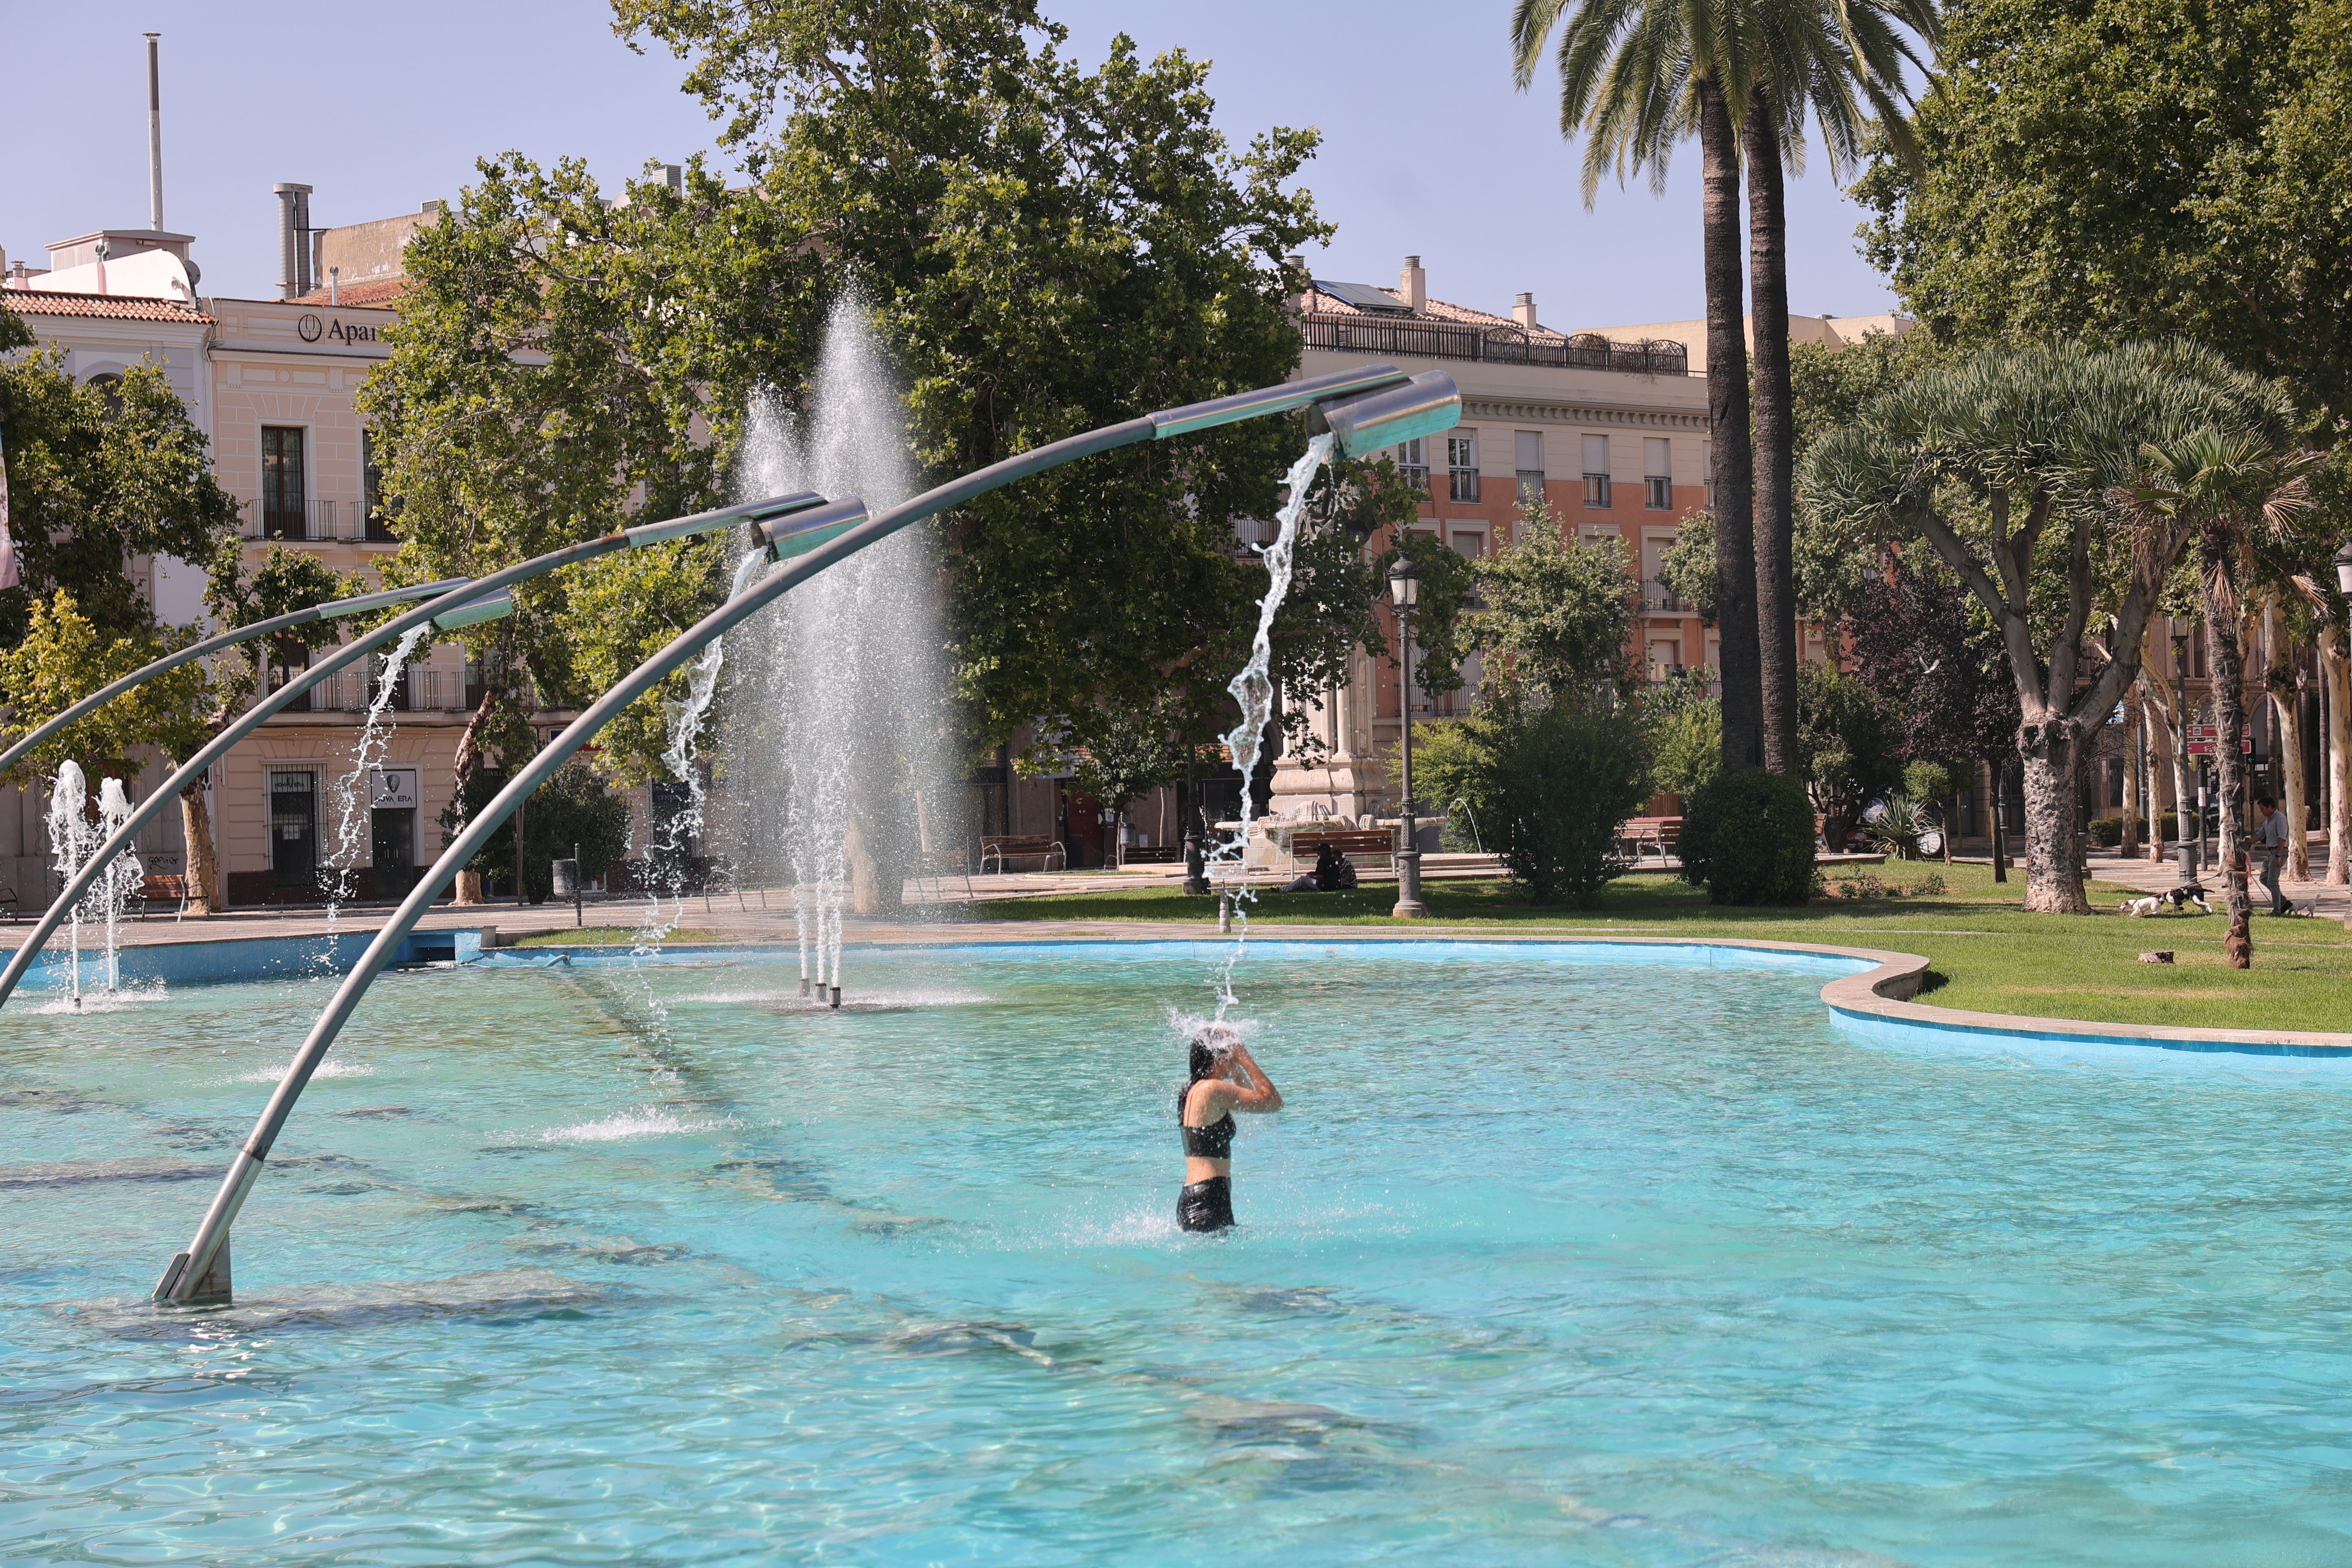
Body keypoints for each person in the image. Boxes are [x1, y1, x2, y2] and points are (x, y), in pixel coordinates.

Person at [1177, 1026, 1283, 1233]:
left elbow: (1247, 1096)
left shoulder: (1193, 1090)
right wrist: (1244, 1057)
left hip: (1198, 1195)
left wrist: (1234, 1067)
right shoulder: (1212, 1089)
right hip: (1209, 1198)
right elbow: (1272, 1102)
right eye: (1229, 1054)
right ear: (1218, 1059)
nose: (1233, 1058)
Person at [2254, 795, 2292, 915]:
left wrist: (2279, 856)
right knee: (2264, 878)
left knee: (2272, 881)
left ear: (2270, 807)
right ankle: (2283, 902)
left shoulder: (2280, 818)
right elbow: (2260, 834)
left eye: (2263, 809)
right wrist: (2247, 842)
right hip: (2270, 851)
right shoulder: (2268, 820)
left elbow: (2282, 837)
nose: (2261, 812)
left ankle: (2277, 910)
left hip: (2278, 851)